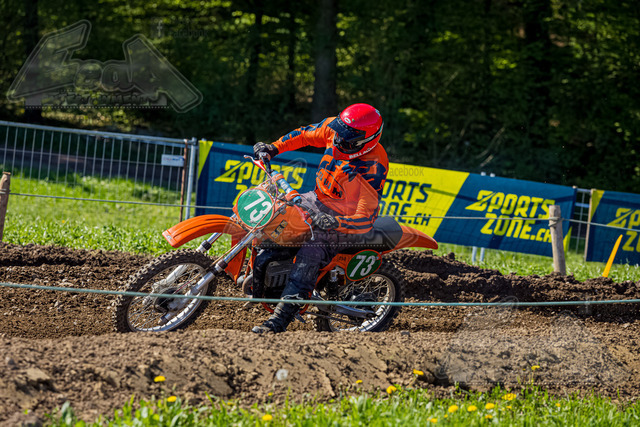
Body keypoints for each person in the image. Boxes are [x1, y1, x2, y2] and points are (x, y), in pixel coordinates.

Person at [251, 103, 389, 334]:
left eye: (346, 139)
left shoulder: (372, 166)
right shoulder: (336, 127)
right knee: (274, 214)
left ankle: (280, 319)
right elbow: (303, 135)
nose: (338, 140)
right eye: (338, 133)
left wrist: (336, 222)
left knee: (311, 251)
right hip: (316, 198)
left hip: (342, 221)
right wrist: (273, 148)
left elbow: (366, 218)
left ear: (366, 141)